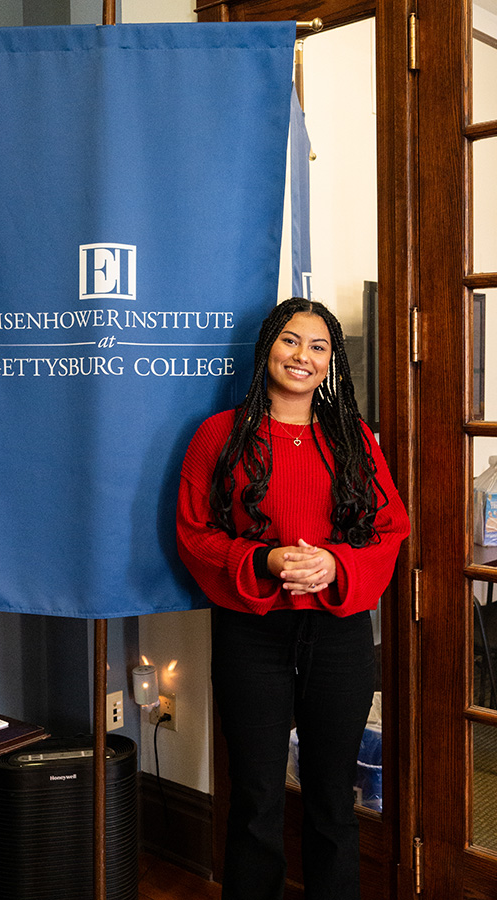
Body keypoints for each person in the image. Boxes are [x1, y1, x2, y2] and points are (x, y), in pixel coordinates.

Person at [176, 298, 410, 900]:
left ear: (332, 362)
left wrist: (335, 562)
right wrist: (266, 560)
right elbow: (194, 533)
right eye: (289, 341)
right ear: (266, 350)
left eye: (318, 346)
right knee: (254, 794)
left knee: (333, 797)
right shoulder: (219, 435)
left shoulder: (353, 438)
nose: (301, 356)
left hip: (339, 634)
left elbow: (390, 530)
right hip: (251, 634)